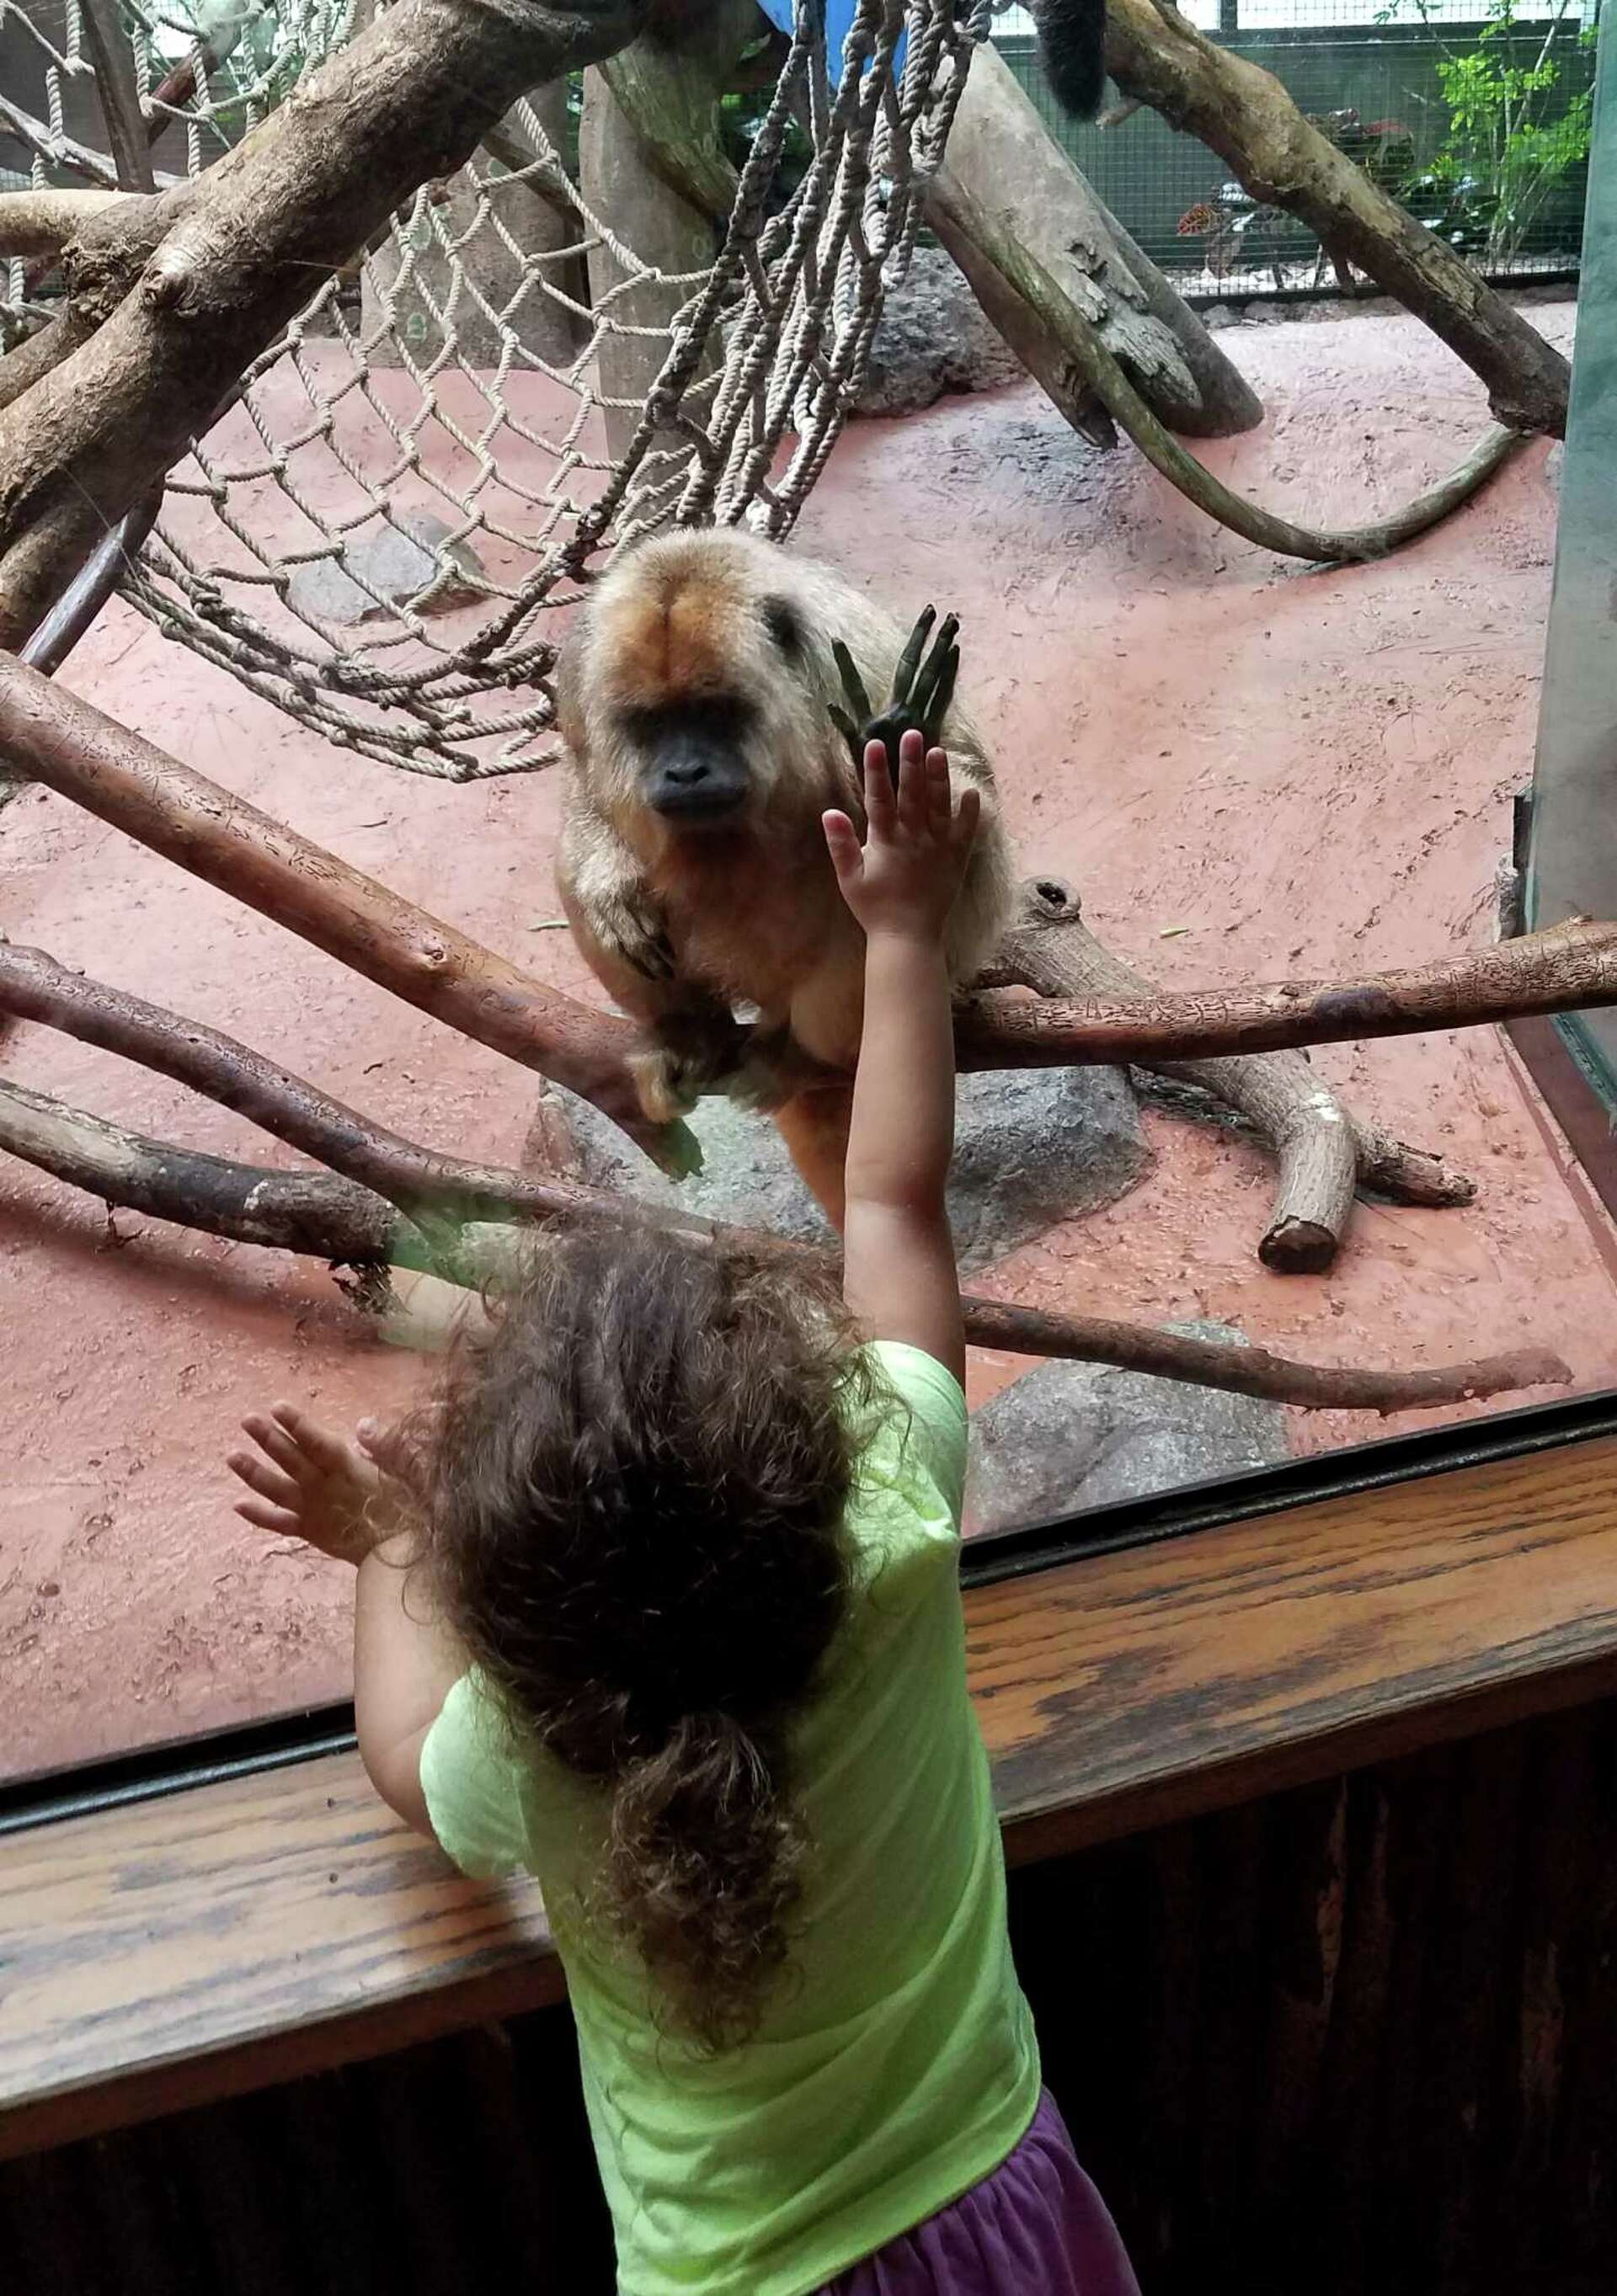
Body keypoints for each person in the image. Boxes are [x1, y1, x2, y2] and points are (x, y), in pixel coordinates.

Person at [227, 729, 1141, 2296]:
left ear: (510, 1596)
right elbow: (895, 1207)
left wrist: (386, 1548)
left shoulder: (534, 1736)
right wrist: (907, 931)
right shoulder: (891, 1528)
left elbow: (400, 1761)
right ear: (813, 1453)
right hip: (994, 2198)